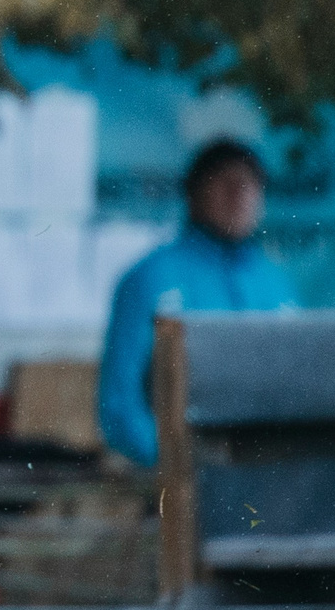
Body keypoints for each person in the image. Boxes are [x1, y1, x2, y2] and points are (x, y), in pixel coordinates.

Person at [94, 138, 297, 467]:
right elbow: (119, 403)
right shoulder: (151, 277)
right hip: (181, 482)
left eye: (250, 184)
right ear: (194, 192)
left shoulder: (275, 282)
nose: (239, 194)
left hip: (267, 479)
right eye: (225, 182)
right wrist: (175, 466)